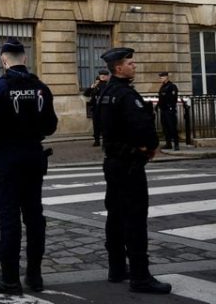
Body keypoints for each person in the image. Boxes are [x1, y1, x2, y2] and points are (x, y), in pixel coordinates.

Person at [0, 38, 58, 295]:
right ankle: (34, 274)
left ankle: (10, 278)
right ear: (25, 58)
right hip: (33, 156)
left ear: (3, 60)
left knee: (9, 217)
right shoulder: (41, 88)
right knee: (34, 217)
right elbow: (51, 126)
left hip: (7, 160)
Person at [98, 47, 171, 295]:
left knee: (115, 217)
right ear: (119, 68)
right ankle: (140, 276)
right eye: (131, 63)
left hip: (113, 162)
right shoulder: (128, 96)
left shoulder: (105, 92)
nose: (135, 66)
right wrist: (150, 147)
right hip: (129, 164)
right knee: (135, 220)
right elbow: (143, 127)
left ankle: (116, 268)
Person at [84, 69, 109, 146]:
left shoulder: (108, 86)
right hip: (96, 109)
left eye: (104, 75)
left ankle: (105, 141)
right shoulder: (95, 87)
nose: (102, 76)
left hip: (105, 109)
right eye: (101, 75)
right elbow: (86, 94)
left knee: (105, 126)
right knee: (96, 126)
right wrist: (91, 88)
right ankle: (97, 140)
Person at [156, 72, 179, 151]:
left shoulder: (172, 86)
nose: (160, 79)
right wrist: (157, 106)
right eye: (160, 77)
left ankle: (176, 144)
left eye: (162, 77)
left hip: (170, 110)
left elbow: (173, 98)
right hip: (163, 110)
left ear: (166, 77)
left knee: (172, 127)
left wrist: (170, 107)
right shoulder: (163, 87)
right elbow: (161, 98)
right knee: (165, 128)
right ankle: (168, 144)